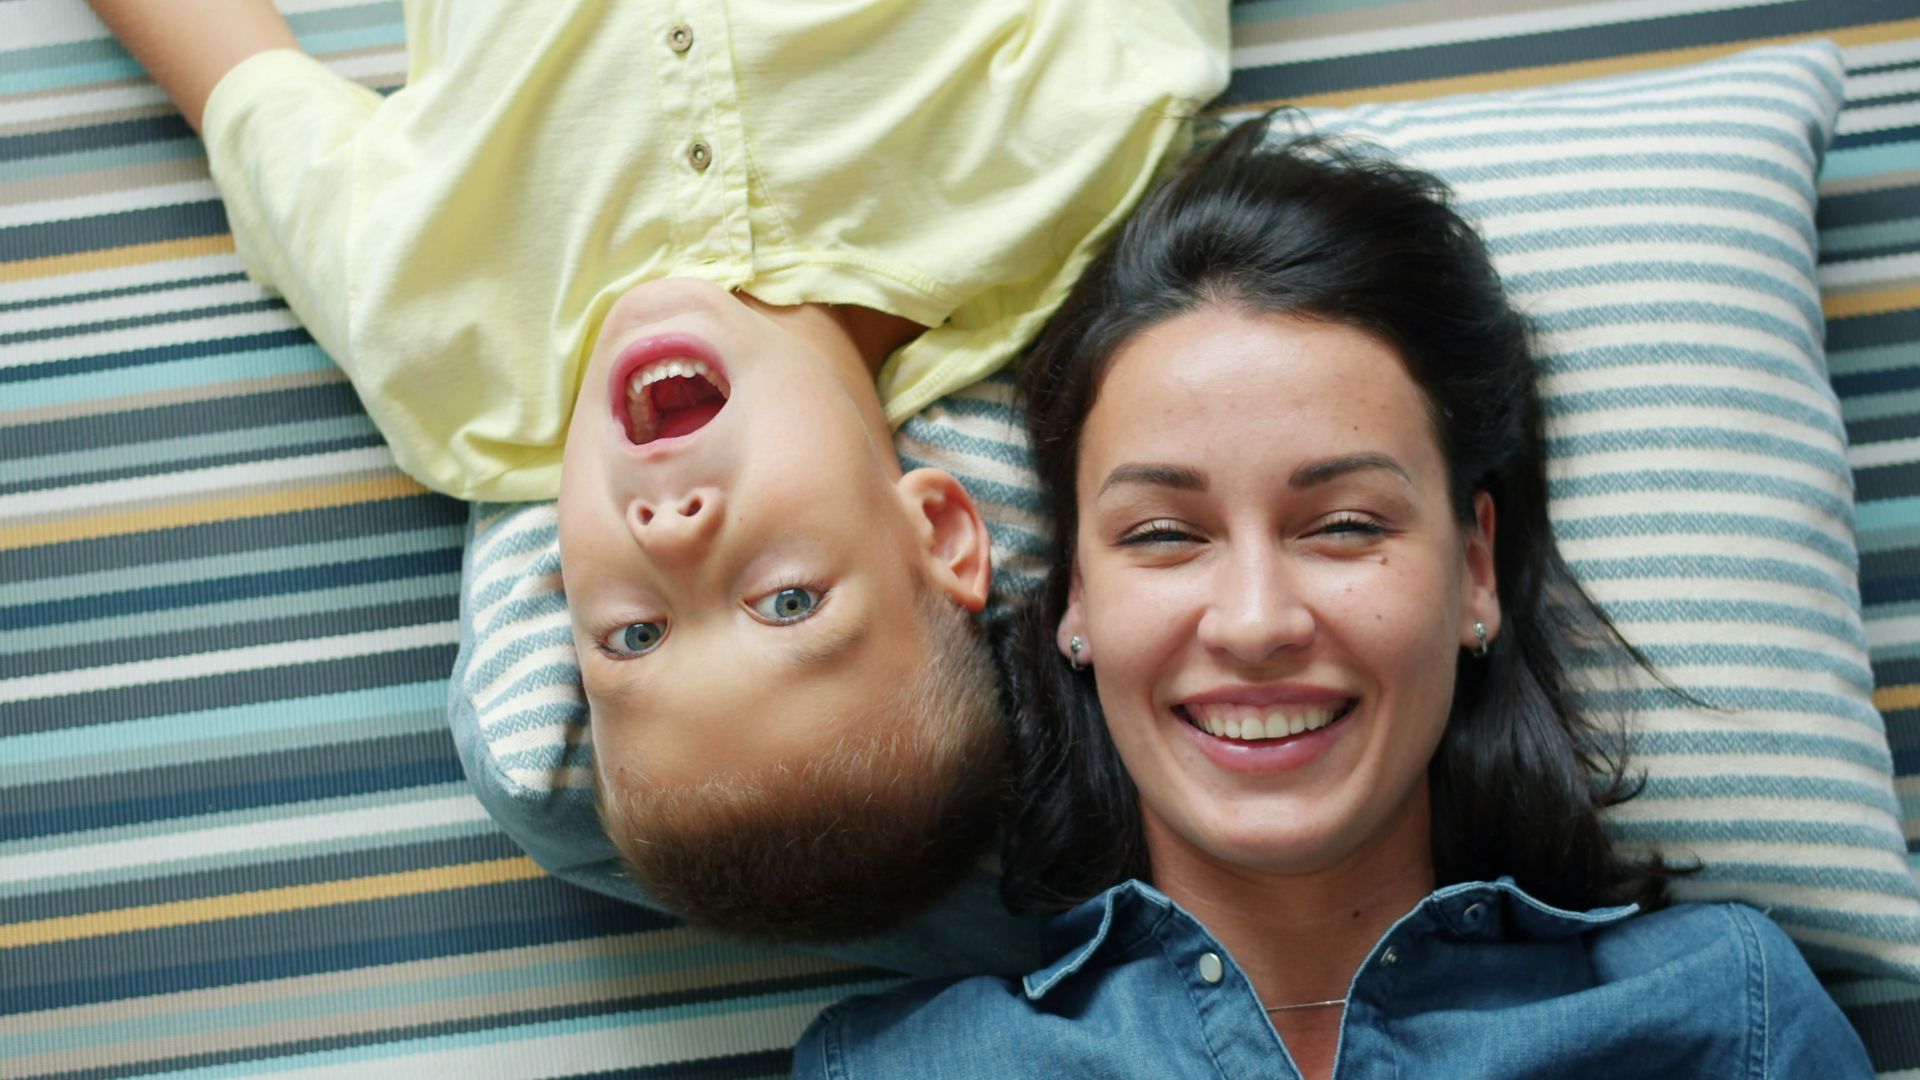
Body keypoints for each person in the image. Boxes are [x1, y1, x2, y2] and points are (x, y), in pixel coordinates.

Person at [82, 0, 1228, 941]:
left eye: (634, 635)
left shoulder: (441, 355)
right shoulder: (1049, 179)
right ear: (937, 531)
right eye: (787, 602)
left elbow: (238, 84)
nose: (676, 532)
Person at [792, 119, 1875, 1076]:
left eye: (1345, 526)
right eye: (1164, 535)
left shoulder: (1729, 1025)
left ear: (1476, 572)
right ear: (1075, 598)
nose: (1257, 622)